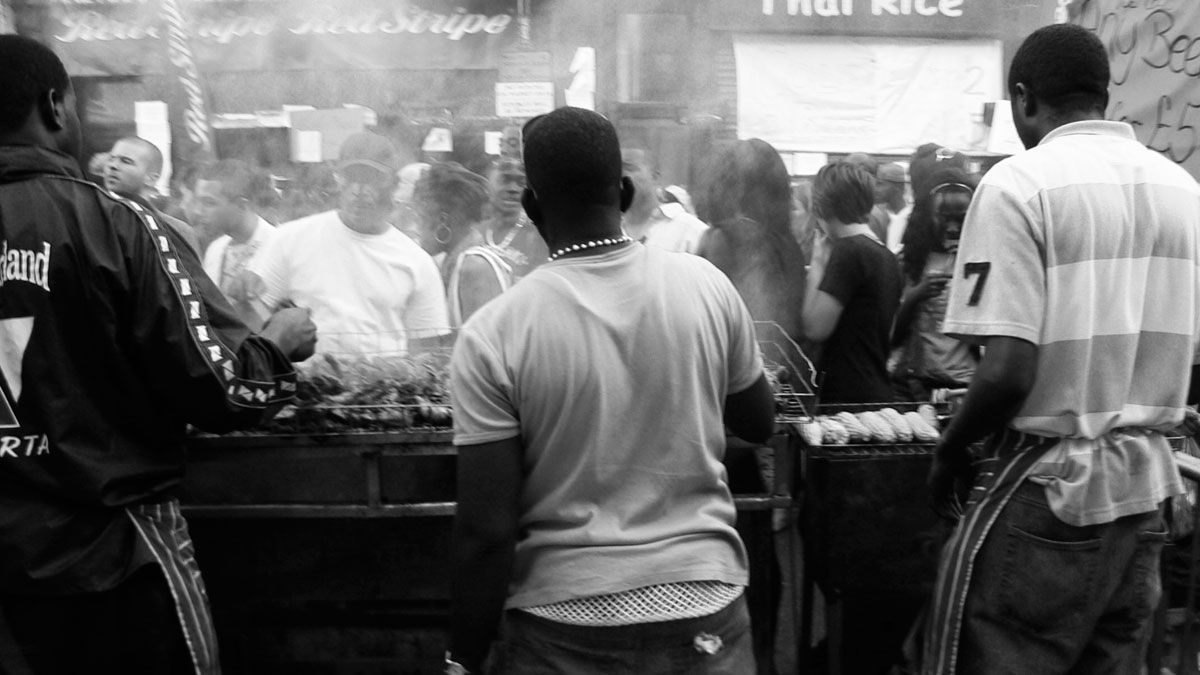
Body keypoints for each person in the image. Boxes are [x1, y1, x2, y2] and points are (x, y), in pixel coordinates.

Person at [0, 35, 316, 675]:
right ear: (55, 107)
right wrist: (276, 349)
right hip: (115, 556)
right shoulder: (120, 225)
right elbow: (225, 390)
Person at [447, 106, 775, 675]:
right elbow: (759, 420)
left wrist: (463, 660)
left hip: (564, 630)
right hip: (706, 609)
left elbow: (486, 532)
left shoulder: (493, 334)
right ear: (622, 191)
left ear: (531, 206)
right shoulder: (706, 286)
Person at [923, 24, 1200, 675]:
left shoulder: (1019, 185)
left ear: (1023, 98)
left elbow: (1008, 371)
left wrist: (952, 446)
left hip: (1047, 497)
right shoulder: (1184, 193)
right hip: (1142, 502)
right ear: (1103, 95)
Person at [247, 131, 450, 356]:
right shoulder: (290, 239)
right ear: (338, 179)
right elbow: (253, 317)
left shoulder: (417, 262)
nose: (359, 190)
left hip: (384, 387)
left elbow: (427, 353)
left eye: (371, 179)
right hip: (305, 387)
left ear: (393, 185)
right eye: (350, 177)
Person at [802, 160, 902, 404]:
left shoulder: (848, 252)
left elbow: (815, 328)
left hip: (847, 398)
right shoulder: (885, 255)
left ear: (822, 206)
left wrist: (817, 261)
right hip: (877, 390)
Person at [695, 139, 807, 342]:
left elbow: (706, 315)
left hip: (737, 361)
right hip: (783, 367)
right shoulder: (789, 246)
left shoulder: (724, 239)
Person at [890, 167, 979, 401]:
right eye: (944, 217)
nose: (952, 227)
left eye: (961, 218)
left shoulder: (985, 259)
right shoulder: (909, 261)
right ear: (928, 215)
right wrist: (915, 296)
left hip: (966, 385)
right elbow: (889, 336)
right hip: (914, 385)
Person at [409, 161, 499, 326]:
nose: (414, 228)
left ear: (442, 221)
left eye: (419, 218)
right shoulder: (453, 264)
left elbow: (482, 346)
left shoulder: (473, 268)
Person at [195, 159, 277, 329]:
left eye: (209, 203)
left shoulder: (278, 246)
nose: (198, 211)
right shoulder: (216, 249)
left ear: (241, 204)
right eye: (198, 201)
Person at [102, 135, 201, 254]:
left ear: (151, 178)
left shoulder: (176, 231)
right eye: (111, 159)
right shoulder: (88, 219)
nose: (113, 166)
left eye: (126, 161)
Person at [621, 147, 708, 253]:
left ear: (655, 177)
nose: (621, 175)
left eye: (630, 169)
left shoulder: (690, 230)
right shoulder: (604, 230)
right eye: (617, 169)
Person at [482, 155, 548, 282]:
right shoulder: (476, 232)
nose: (513, 189)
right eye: (504, 180)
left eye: (521, 183)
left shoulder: (538, 237)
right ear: (487, 186)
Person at [876, 162, 911, 253]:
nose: (876, 189)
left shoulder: (912, 216)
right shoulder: (877, 216)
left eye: (880, 184)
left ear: (897, 187)